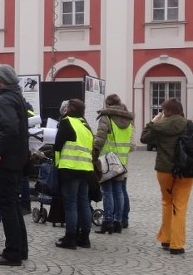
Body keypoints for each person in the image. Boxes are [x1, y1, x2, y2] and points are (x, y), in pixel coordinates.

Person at [0, 65, 30, 266]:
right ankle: (20, 249)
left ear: (0, 80)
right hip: (16, 159)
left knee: (7, 205)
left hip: (6, 160)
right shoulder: (15, 97)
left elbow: (10, 128)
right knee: (13, 204)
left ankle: (12, 253)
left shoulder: (4, 99)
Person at [140, 98, 190, 255]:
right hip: (186, 170)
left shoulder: (159, 126)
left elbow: (143, 138)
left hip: (165, 170)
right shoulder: (189, 125)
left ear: (166, 112)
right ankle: (177, 244)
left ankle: (166, 239)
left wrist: (153, 121)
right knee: (180, 206)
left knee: (167, 203)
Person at [54, 99, 95, 250]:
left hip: (69, 168)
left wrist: (56, 165)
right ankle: (84, 238)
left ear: (70, 109)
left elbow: (58, 145)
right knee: (83, 203)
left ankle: (70, 238)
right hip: (85, 169)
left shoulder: (67, 122)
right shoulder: (86, 126)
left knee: (70, 205)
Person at [92, 94, 134, 235]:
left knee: (108, 192)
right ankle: (118, 222)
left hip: (107, 159)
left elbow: (100, 139)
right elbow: (131, 144)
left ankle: (107, 222)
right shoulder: (128, 119)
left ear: (108, 104)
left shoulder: (106, 117)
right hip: (122, 160)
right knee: (119, 191)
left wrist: (94, 153)